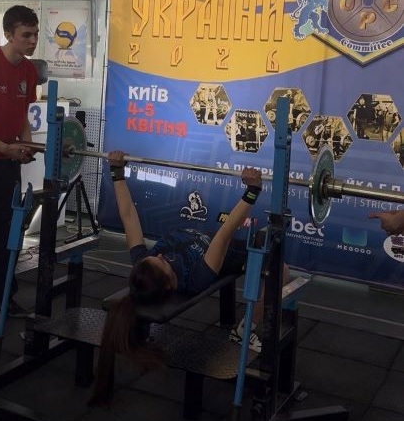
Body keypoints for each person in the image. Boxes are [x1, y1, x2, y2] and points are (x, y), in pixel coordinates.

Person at [91, 151, 290, 405]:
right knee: (281, 271)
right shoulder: (196, 277)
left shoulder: (144, 263)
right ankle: (245, 329)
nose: (159, 255)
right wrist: (252, 191)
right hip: (229, 252)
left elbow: (128, 214)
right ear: (168, 284)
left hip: (207, 238)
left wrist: (117, 171)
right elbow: (225, 234)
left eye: (156, 256)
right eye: (162, 262)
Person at [0, 5, 39, 317]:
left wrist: (27, 145)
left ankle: (0, 296)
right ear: (8, 35)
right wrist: (4, 147)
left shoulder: (28, 72)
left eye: (35, 34)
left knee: (4, 232)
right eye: (26, 35)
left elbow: (22, 116)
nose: (33, 41)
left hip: (7, 166)